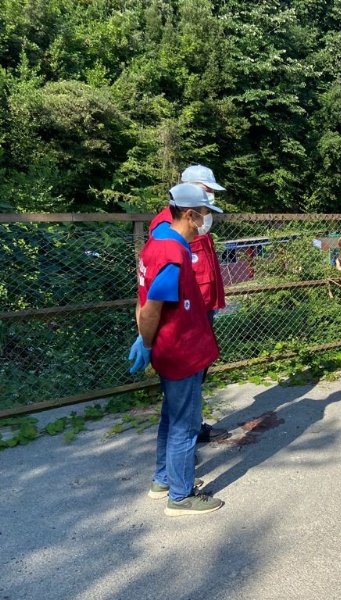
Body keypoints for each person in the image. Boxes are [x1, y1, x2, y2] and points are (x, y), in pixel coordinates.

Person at [129, 183, 225, 516]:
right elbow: (152, 307)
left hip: (171, 348)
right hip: (181, 351)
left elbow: (142, 298)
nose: (205, 221)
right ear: (189, 214)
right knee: (185, 425)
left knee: (171, 418)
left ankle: (163, 480)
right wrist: (146, 340)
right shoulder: (173, 253)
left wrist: (147, 340)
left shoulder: (156, 244)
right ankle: (181, 496)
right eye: (204, 214)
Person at [148, 164, 228, 444]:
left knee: (196, 376)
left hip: (202, 306)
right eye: (206, 191)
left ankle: (192, 425)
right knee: (185, 380)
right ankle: (185, 437)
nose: (210, 198)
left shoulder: (196, 219)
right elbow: (160, 276)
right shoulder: (167, 225)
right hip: (186, 312)